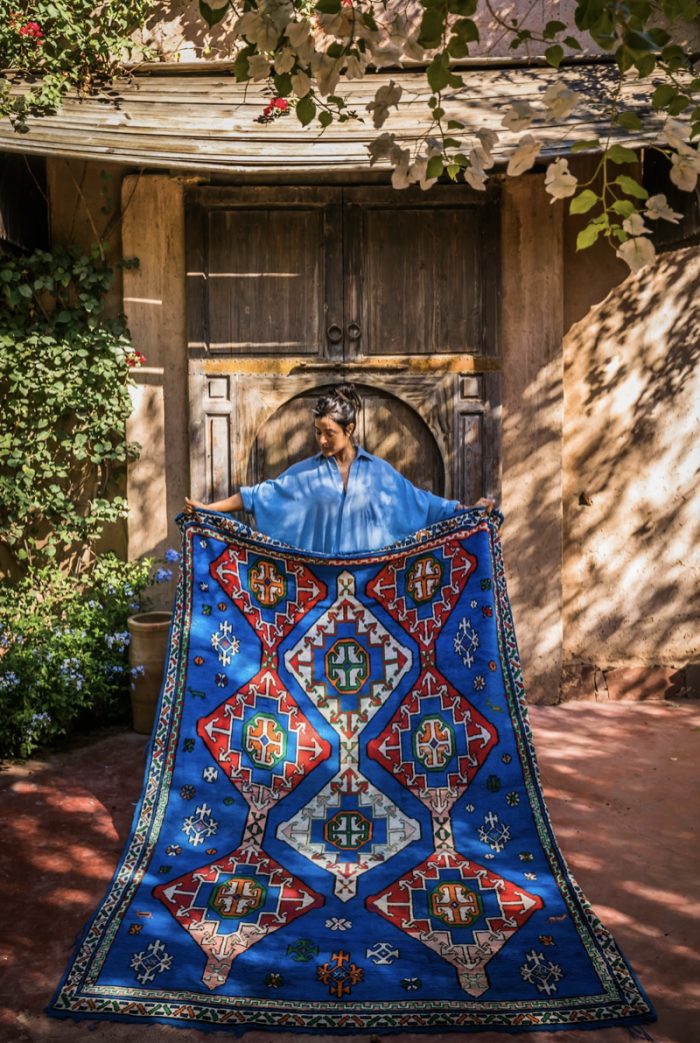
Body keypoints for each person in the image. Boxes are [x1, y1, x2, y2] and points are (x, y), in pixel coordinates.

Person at [184, 383, 494, 554]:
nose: (321, 440)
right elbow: (256, 497)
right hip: (318, 596)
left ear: (349, 430)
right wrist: (208, 510)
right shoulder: (304, 473)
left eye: (329, 433)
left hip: (372, 596)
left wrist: (471, 512)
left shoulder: (380, 474)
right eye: (317, 432)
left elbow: (427, 506)